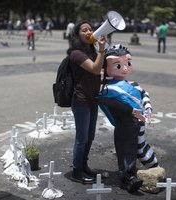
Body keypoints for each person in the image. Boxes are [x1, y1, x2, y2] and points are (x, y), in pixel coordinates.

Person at [97, 44, 159, 193]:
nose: (125, 68)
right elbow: (111, 103)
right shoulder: (109, 89)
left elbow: (145, 94)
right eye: (118, 65)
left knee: (142, 147)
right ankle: (127, 178)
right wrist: (132, 111)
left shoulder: (133, 85)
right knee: (126, 152)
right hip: (124, 126)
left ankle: (154, 168)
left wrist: (148, 108)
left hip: (138, 125)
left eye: (128, 63)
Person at [67, 20, 106, 184]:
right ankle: (77, 171)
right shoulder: (76, 53)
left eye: (90, 29)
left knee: (90, 136)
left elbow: (100, 70)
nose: (89, 32)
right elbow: (96, 69)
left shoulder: (90, 52)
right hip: (81, 100)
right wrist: (102, 49)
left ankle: (83, 165)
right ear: (77, 35)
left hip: (92, 99)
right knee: (82, 138)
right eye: (84, 30)